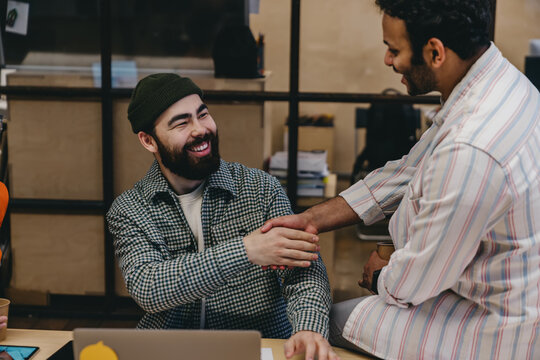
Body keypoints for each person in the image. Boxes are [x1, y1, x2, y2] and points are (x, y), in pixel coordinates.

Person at [262, 0, 540, 359]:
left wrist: (380, 276)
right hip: (493, 292)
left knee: (322, 326)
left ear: (435, 51)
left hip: (493, 331)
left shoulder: (471, 151)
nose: (388, 61)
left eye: (394, 50)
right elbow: (407, 171)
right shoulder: (500, 82)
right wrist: (309, 220)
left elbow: (413, 284)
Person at [106, 73, 338, 360]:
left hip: (259, 345)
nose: (200, 129)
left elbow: (304, 270)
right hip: (169, 349)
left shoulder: (260, 188)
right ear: (149, 141)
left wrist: (309, 327)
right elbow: (149, 287)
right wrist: (246, 250)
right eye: (181, 123)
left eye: (203, 114)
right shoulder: (131, 208)